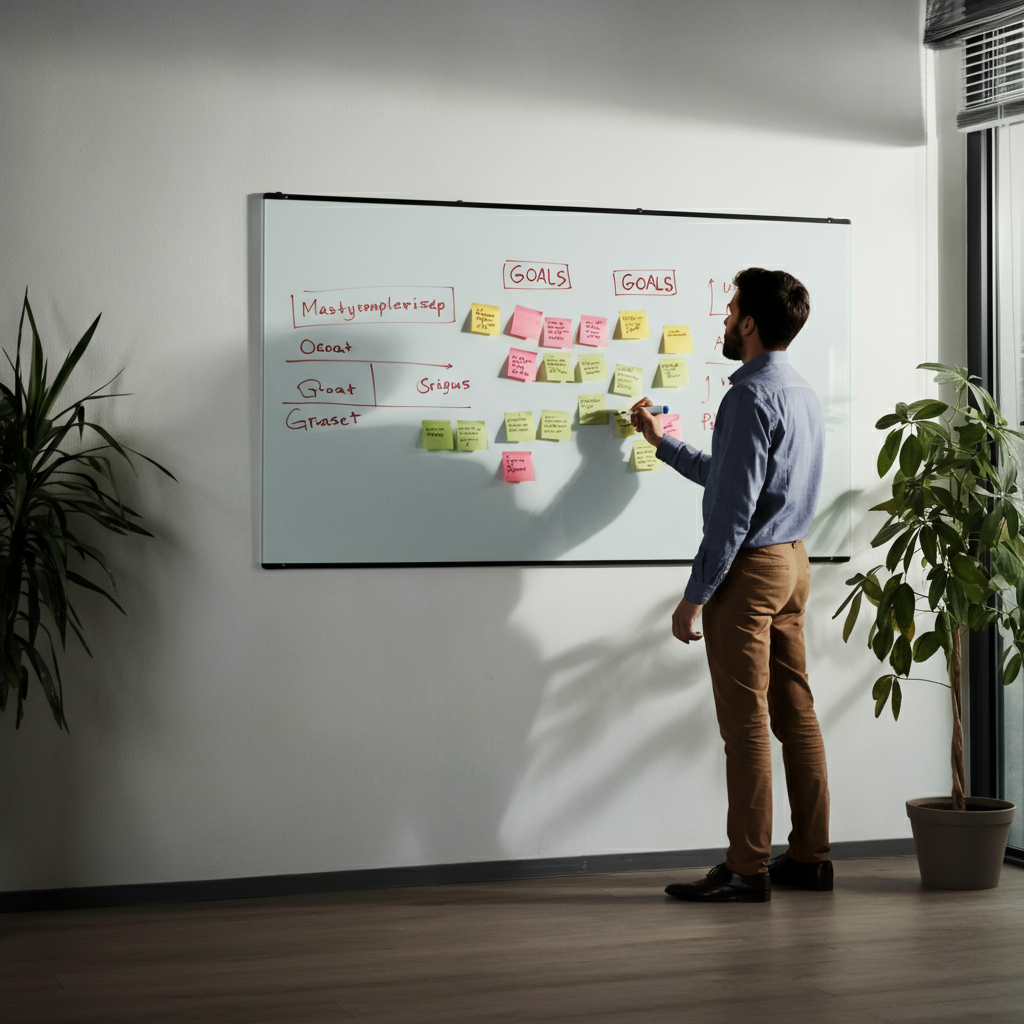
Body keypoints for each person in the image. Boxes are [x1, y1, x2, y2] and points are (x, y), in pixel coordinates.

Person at [631, 267, 831, 903]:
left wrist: (695, 596)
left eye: (729, 310)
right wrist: (666, 446)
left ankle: (749, 868)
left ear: (748, 323)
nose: (722, 320)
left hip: (749, 571)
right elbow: (735, 478)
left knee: (745, 725)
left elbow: (733, 512)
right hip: (794, 563)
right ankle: (810, 858)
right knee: (796, 715)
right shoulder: (798, 391)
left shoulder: (747, 396)